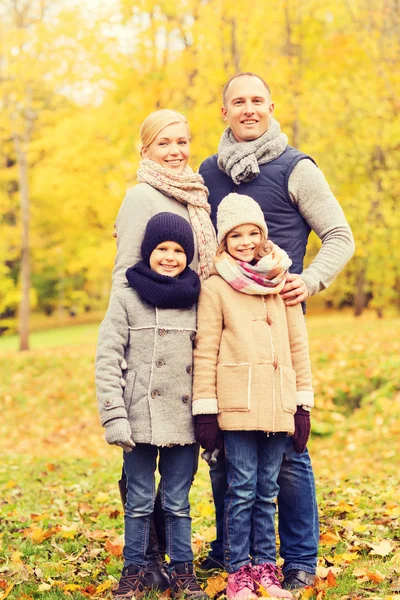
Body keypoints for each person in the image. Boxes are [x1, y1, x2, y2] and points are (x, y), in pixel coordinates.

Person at [197, 72, 355, 589]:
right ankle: (234, 556)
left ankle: (300, 558)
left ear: (271, 107)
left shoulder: (296, 167)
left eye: (256, 101)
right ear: (224, 112)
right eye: (237, 102)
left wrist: (309, 282)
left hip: (277, 329)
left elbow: (339, 235)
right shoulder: (208, 172)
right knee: (227, 459)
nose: (248, 109)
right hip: (225, 330)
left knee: (287, 456)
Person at [109, 108, 217, 595]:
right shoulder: (141, 196)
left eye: (182, 140)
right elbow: (126, 269)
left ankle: (174, 567)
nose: (176, 151)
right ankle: (143, 564)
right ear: (145, 149)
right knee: (138, 491)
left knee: (177, 495)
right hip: (145, 338)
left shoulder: (194, 193)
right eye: (164, 143)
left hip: (187, 328)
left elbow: (203, 263)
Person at [193, 193, 314, 600]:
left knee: (267, 490)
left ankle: (265, 569)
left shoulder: (283, 280)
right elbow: (206, 348)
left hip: (278, 404)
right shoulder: (215, 286)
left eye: (252, 233)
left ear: (262, 235)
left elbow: (298, 346)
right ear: (224, 240)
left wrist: (302, 404)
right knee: (241, 487)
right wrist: (206, 410)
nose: (245, 241)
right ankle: (238, 573)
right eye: (235, 235)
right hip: (236, 405)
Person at [96, 212, 210, 600]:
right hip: (138, 419)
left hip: (184, 419)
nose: (170, 256)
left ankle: (182, 571)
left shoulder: (200, 297)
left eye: (179, 250)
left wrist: (210, 418)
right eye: (162, 248)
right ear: (148, 252)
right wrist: (114, 415)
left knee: (178, 502)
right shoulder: (126, 296)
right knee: (139, 500)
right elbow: (108, 357)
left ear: (188, 256)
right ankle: (136, 569)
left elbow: (210, 359)